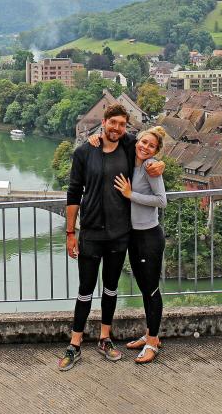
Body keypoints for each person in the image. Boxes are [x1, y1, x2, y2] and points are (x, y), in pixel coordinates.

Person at [58, 104, 164, 372]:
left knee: (111, 288)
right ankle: (75, 343)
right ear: (103, 122)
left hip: (119, 234)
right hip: (91, 232)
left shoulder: (129, 146)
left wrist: (161, 164)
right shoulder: (85, 151)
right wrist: (71, 232)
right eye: (112, 122)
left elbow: (149, 147)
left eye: (122, 124)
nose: (117, 128)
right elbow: (73, 193)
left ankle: (105, 338)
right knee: (85, 290)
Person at [114, 125, 168, 364]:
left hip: (149, 236)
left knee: (151, 290)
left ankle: (153, 342)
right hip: (134, 236)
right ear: (137, 141)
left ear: (157, 151)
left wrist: (130, 195)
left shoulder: (149, 168)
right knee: (145, 288)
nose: (145, 147)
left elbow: (161, 201)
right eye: (143, 142)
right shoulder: (131, 160)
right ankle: (149, 335)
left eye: (151, 146)